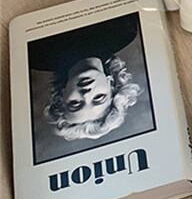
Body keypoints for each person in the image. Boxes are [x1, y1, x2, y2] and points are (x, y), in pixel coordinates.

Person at [29, 13, 142, 141]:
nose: (86, 94)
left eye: (75, 103)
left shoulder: (36, 55)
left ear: (62, 96)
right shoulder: (124, 31)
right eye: (99, 97)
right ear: (111, 84)